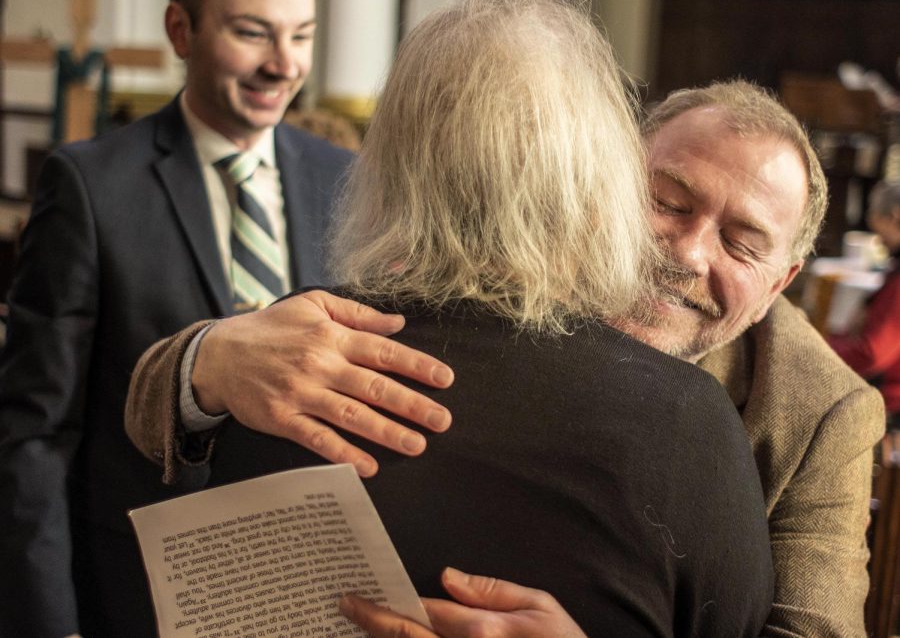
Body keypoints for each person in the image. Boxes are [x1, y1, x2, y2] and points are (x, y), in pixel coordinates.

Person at [128, 77, 886, 636]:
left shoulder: (823, 411)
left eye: (742, 244)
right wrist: (212, 357)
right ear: (603, 183)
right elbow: (146, 403)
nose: (687, 254)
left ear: (783, 281)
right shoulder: (500, 268)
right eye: (667, 200)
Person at [0, 0, 453, 636]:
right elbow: (34, 433)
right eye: (253, 34)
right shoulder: (93, 186)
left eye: (302, 36)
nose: (284, 64)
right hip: (133, 595)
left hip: (307, 594)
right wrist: (48, 624)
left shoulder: (345, 178)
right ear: (180, 30)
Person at [828, 180, 900, 420]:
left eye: (875, 217)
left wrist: (819, 347)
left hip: (889, 403)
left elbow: (871, 353)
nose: (876, 237)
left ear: (894, 216)